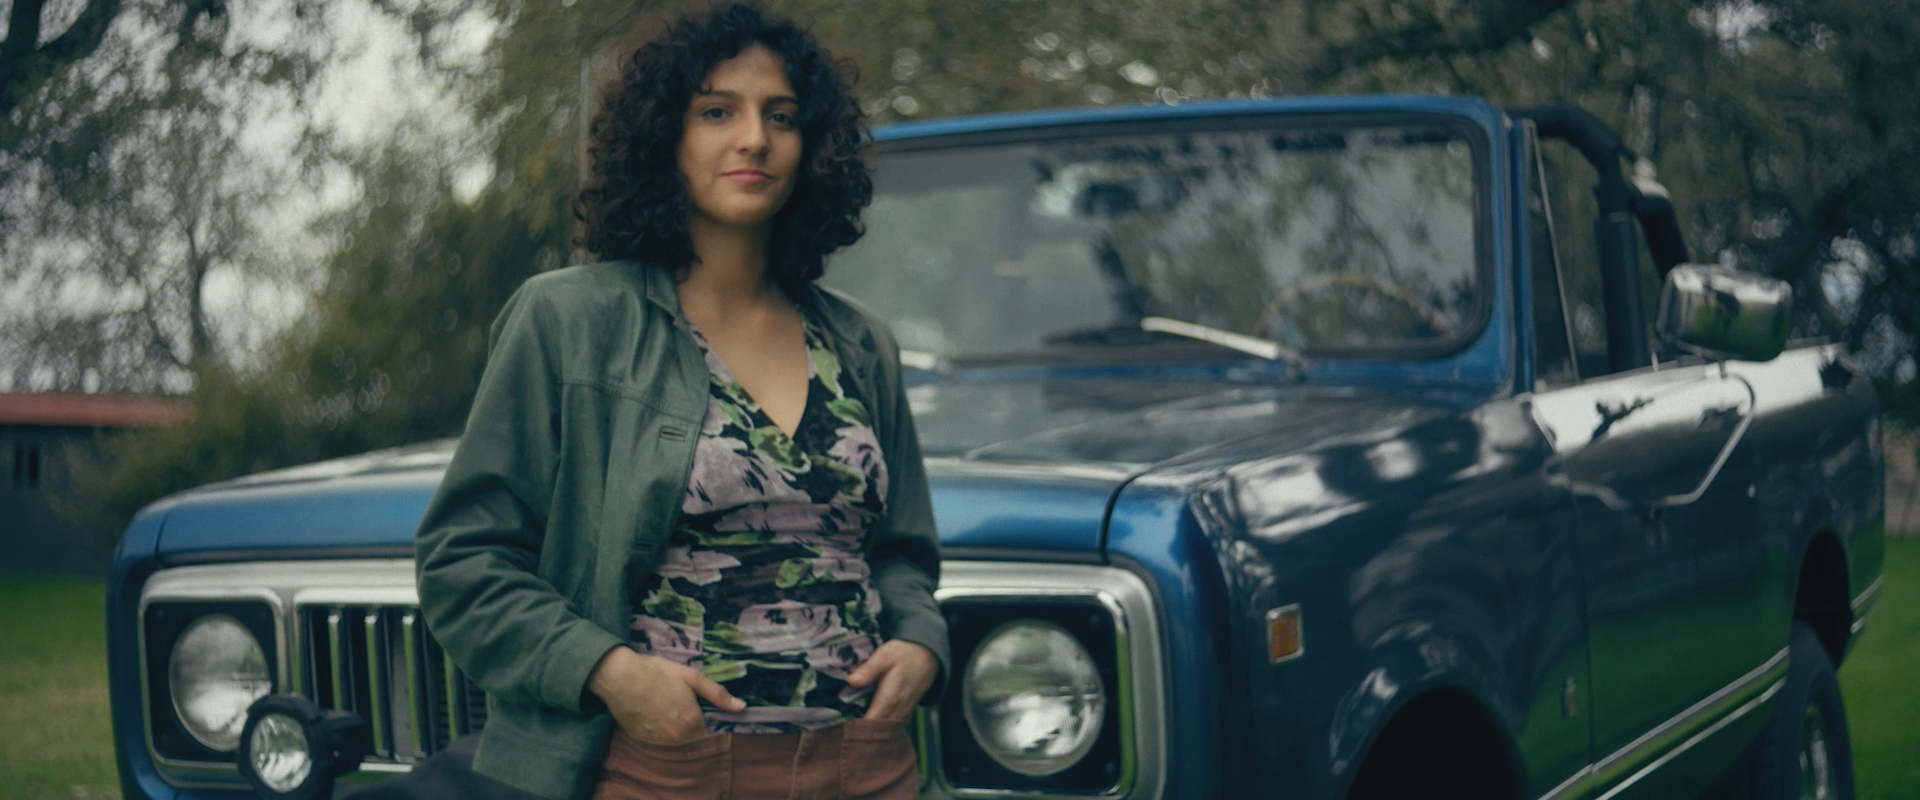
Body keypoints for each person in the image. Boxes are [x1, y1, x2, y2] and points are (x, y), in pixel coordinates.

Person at [413, 5, 948, 799]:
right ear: (666, 134)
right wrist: (609, 673)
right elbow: (464, 560)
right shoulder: (570, 321)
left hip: (869, 766)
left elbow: (900, 553)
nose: (755, 138)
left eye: (783, 116)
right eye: (717, 111)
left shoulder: (860, 342)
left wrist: (922, 644)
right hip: (668, 771)